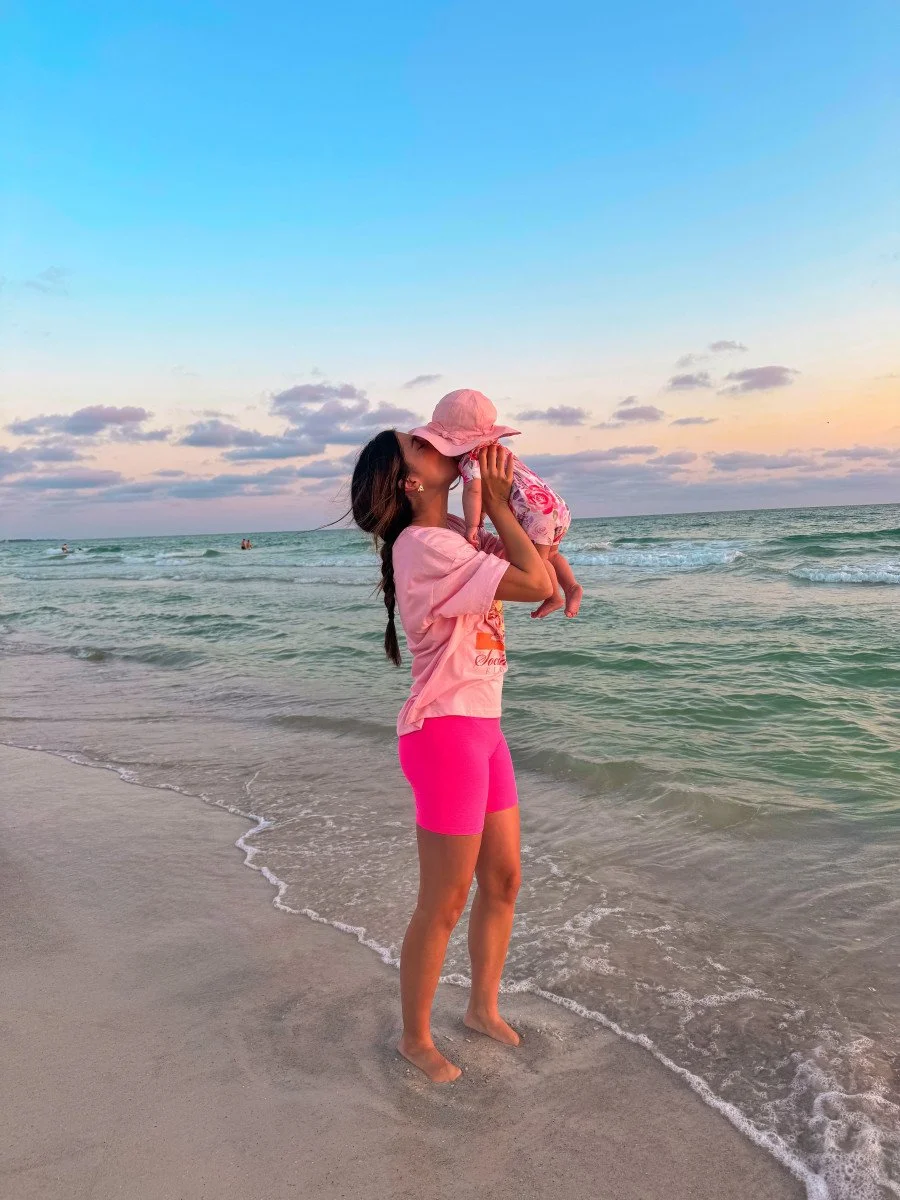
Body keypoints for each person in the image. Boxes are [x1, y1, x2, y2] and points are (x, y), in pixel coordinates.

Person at [351, 433, 553, 1084]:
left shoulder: (454, 539)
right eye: (420, 445)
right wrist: (492, 499)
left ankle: (481, 1009)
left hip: (484, 726)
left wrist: (497, 503)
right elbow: (532, 581)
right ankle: (414, 1039)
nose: (437, 443)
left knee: (504, 880)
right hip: (444, 733)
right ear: (410, 482)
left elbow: (543, 560)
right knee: (444, 899)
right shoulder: (423, 546)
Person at [410, 388, 583, 618]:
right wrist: (486, 510)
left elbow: (474, 491)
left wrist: (473, 525)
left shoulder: (470, 458)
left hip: (536, 514)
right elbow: (490, 490)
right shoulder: (497, 451)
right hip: (555, 506)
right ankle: (572, 586)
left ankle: (554, 597)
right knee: (552, 555)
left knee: (539, 561)